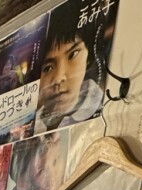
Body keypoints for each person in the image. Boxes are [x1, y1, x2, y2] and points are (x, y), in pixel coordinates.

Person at [36, 3, 106, 131]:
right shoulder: (31, 125)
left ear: (89, 54)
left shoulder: (105, 108)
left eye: (73, 55)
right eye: (47, 68)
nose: (58, 78)